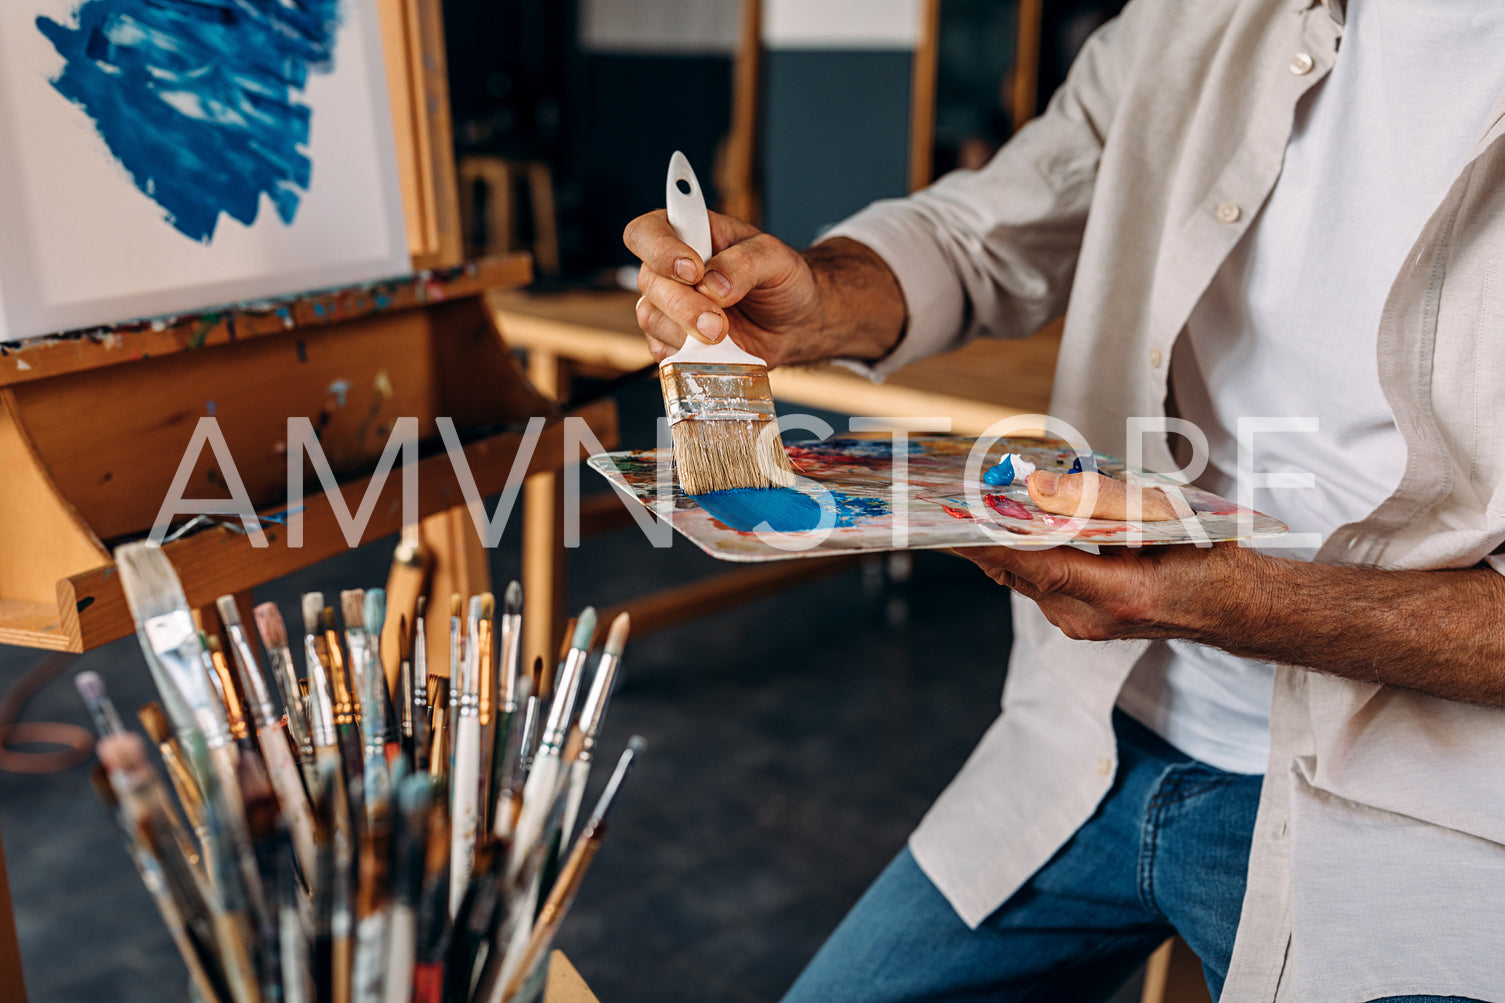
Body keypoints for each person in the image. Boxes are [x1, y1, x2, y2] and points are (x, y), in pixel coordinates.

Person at [625, 0, 1505, 999]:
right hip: (1087, 734)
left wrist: (1240, 605)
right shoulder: (1194, 18)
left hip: (1424, 815)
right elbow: (981, 229)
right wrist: (818, 295)